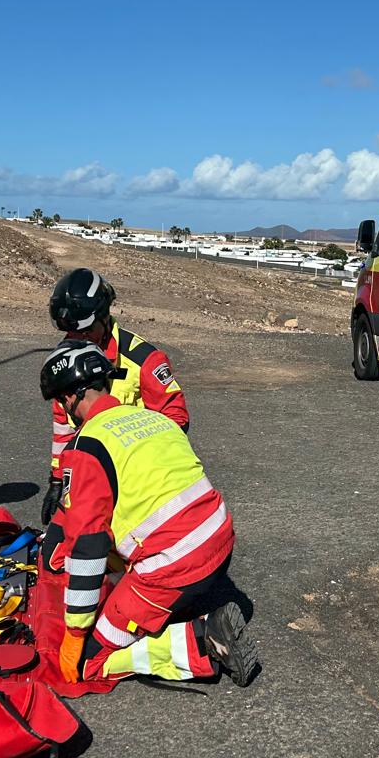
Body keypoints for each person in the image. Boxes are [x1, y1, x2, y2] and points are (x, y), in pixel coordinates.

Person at [39, 339, 258, 687]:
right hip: (219, 541)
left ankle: (202, 639)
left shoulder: (87, 446)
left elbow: (89, 545)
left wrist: (75, 633)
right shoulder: (152, 420)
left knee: (90, 663)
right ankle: (177, 609)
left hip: (175, 566)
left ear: (69, 397)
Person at [40, 268, 189, 525]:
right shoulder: (68, 360)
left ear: (103, 317)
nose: (76, 340)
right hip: (92, 465)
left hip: (141, 471)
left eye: (84, 334)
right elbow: (63, 423)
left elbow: (177, 418)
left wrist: (141, 456)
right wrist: (57, 477)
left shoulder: (144, 360)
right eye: (70, 333)